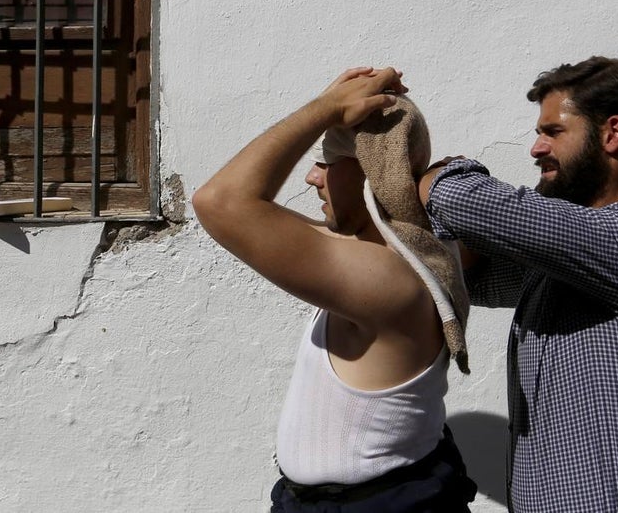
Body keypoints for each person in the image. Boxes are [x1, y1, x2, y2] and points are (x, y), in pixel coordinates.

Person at [418, 56, 618, 512]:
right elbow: (461, 276)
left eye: (553, 132)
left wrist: (432, 170)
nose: (536, 149)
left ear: (613, 134)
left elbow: (460, 201)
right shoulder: (574, 260)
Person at [193, 67, 477, 512]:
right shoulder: (379, 251)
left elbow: (221, 202)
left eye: (328, 162)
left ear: (371, 174)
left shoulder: (392, 278)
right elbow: (236, 205)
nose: (311, 177)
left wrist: (323, 109)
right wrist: (329, 109)